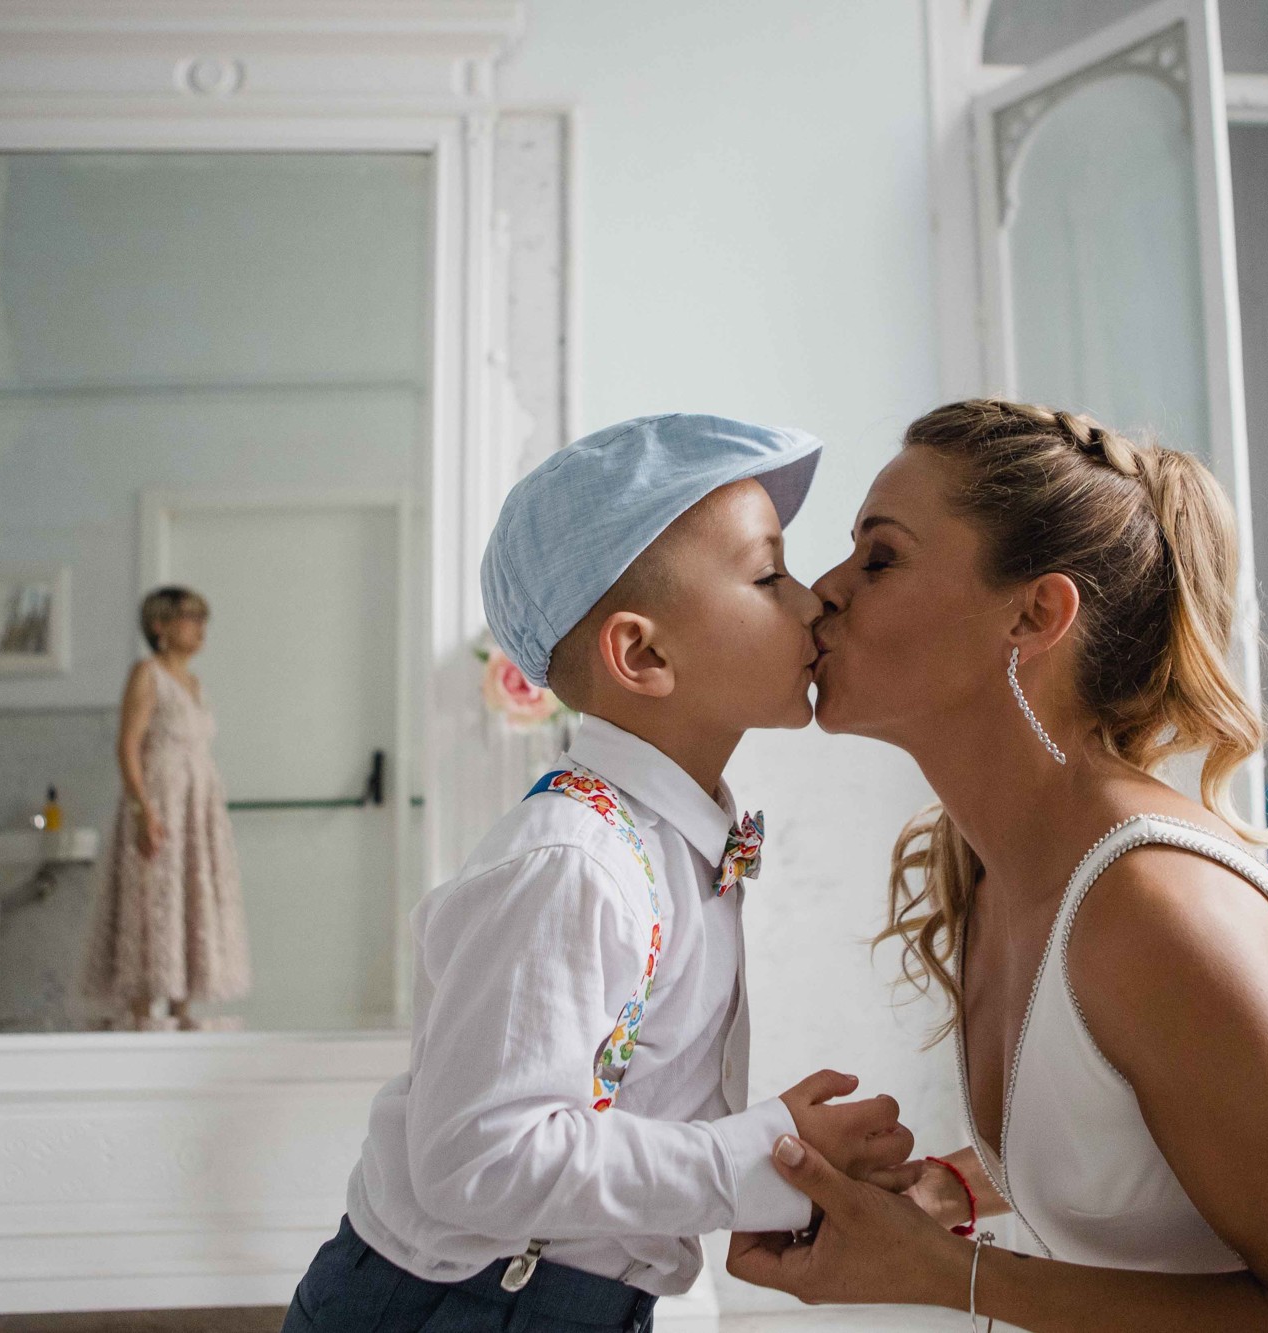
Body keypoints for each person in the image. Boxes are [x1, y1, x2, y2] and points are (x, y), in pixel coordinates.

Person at [728, 400, 1268, 1330]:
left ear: (1034, 612)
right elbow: (1133, 1139)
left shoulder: (1153, 910)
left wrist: (949, 1276)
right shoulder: (994, 866)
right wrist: (943, 1189)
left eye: (881, 556)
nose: (825, 588)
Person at [284, 415, 914, 1333]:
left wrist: (792, 1180)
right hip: (449, 1309)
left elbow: (638, 1108)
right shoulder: (571, 863)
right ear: (644, 655)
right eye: (768, 574)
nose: (814, 598)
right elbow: (479, 1161)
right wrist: (758, 1156)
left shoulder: (672, 844)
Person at [82, 586, 250, 1031]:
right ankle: (142, 1008)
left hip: (197, 806)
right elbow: (128, 746)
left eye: (201, 620)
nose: (199, 630)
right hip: (162, 800)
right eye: (190, 619)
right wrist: (143, 811)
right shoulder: (147, 674)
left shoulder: (193, 683)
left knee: (190, 892)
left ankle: (181, 1006)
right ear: (161, 625)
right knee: (153, 893)